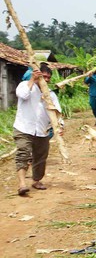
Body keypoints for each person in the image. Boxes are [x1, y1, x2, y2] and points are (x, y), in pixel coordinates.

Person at [13, 63, 63, 196]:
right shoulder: (25, 85)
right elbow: (22, 95)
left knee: (40, 157)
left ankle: (36, 180)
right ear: (37, 75)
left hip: (42, 130)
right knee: (23, 154)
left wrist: (59, 126)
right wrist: (32, 80)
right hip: (23, 127)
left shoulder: (51, 95)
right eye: (43, 76)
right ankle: (22, 184)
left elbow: (57, 112)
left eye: (48, 78)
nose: (46, 80)